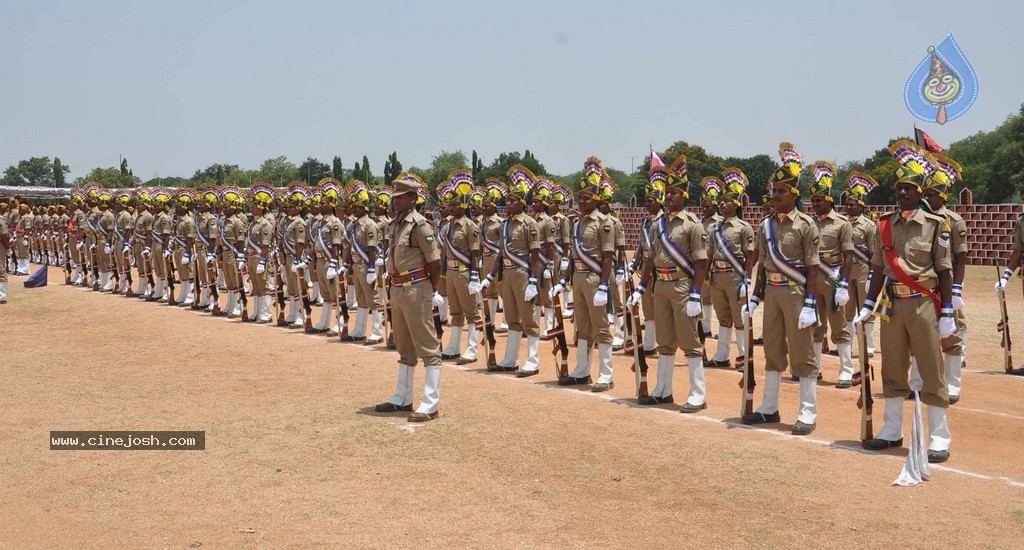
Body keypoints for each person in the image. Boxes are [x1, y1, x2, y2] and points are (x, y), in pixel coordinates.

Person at [855, 140, 954, 463]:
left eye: (908, 189)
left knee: (930, 369)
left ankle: (939, 435)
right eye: (898, 190)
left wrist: (948, 311)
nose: (902, 195)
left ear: (921, 193)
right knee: (893, 367)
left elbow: (944, 271)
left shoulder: (937, 226)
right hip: (892, 305)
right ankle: (891, 430)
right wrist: (869, 305)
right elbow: (879, 269)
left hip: (924, 304)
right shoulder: (883, 226)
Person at [741, 143, 821, 435]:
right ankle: (769, 408)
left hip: (796, 294)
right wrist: (755, 298)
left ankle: (807, 413)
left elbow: (813, 269)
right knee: (773, 350)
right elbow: (762, 265)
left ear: (794, 194)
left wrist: (811, 303)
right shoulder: (764, 226)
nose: (775, 196)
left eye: (781, 192)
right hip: (772, 294)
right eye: (774, 191)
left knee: (803, 355)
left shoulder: (807, 225)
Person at [628, 156, 710, 410]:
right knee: (664, 340)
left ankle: (698, 393)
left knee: (689, 342)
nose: (669, 197)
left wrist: (696, 293)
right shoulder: (658, 224)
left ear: (684, 195)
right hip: (660, 286)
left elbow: (701, 263)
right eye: (667, 193)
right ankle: (663, 389)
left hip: (683, 286)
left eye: (674, 193)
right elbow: (651, 257)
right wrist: (642, 286)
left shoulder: (693, 225)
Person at [374, 173, 444, 422]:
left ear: (413, 199)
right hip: (398, 288)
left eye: (401, 198)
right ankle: (402, 398)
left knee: (427, 347)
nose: (396, 202)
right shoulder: (395, 224)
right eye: (395, 198)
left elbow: (435, 261)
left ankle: (431, 403)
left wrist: (433, 291)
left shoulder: (419, 225)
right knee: (404, 346)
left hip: (416, 288)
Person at [552, 157, 616, 391]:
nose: (581, 202)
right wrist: (563, 281)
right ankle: (581, 371)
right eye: (580, 198)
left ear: (596, 199)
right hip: (578, 278)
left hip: (594, 277)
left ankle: (606, 375)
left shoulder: (604, 223)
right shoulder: (577, 223)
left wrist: (603, 286)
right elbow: (573, 255)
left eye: (586, 198)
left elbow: (608, 257)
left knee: (600, 326)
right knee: (581, 326)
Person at [486, 165, 543, 376]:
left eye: (513, 201)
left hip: (522, 272)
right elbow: (501, 253)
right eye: (507, 200)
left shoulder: (530, 224)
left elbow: (535, 254)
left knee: (528, 317)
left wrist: (533, 280)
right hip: (506, 274)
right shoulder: (505, 225)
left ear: (522, 203)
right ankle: (510, 359)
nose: (508, 204)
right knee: (511, 317)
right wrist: (491, 275)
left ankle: (533, 361)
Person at [922, 154, 968, 403]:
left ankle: (953, 384)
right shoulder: (922, 221)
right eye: (925, 194)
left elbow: (961, 258)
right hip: (926, 284)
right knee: (922, 334)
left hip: (947, 284)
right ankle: (920, 382)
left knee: (950, 336)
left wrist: (957, 289)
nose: (928, 199)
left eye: (932, 195)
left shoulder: (954, 221)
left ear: (943, 196)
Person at [808, 161, 856, 387]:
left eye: (819, 200)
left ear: (829, 200)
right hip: (813, 279)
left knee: (838, 326)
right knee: (815, 325)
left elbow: (849, 256)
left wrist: (844, 284)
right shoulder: (809, 223)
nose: (815, 204)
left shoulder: (842, 223)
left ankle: (846, 369)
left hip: (833, 277)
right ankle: (815, 368)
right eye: (813, 200)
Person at [705, 169, 756, 370]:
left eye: (727, 201)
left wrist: (748, 281)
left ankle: (744, 356)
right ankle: (722, 354)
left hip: (736, 277)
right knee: (723, 317)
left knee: (740, 318)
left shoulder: (744, 227)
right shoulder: (714, 228)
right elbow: (709, 254)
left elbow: (750, 256)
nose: (722, 204)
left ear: (735, 205)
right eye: (722, 201)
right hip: (717, 276)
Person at [437, 171, 482, 364]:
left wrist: (474, 277)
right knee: (455, 312)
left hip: (464, 273)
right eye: (450, 204)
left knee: (471, 312)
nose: (451, 208)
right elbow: (444, 251)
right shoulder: (448, 226)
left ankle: (471, 349)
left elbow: (474, 254)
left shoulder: (470, 226)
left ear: (464, 206)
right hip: (452, 272)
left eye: (455, 205)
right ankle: (453, 347)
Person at [843, 173, 879, 357]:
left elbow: (873, 253)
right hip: (846, 270)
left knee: (866, 308)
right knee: (847, 310)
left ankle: (869, 344)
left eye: (853, 204)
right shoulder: (842, 223)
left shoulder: (869, 225)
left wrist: (871, 276)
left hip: (863, 268)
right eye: (847, 204)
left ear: (861, 205)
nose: (849, 207)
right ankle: (847, 344)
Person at [342, 180, 382, 342]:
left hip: (367, 265)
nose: (354, 210)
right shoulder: (353, 225)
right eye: (353, 207)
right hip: (357, 266)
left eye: (357, 207)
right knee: (361, 299)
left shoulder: (369, 225)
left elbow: (372, 249)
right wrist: (347, 266)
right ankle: (359, 330)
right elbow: (349, 246)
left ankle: (377, 332)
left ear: (364, 208)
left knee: (373, 299)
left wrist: (372, 269)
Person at [479, 178, 508, 333]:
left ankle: (507, 320)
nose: (483, 208)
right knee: (489, 291)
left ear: (494, 206)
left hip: (498, 260)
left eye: (487, 206)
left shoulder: (500, 223)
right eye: (483, 206)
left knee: (502, 290)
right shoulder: (482, 223)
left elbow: (503, 245)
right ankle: (489, 321)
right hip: (486, 259)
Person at [245, 184, 277, 323]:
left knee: (263, 286)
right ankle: (257, 312)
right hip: (251, 257)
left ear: (261, 207)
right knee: (256, 286)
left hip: (260, 257)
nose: (252, 209)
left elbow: (265, 245)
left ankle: (267, 313)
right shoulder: (253, 223)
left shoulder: (265, 224)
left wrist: (263, 261)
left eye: (254, 206)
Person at [699, 182, 723, 339]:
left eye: (708, 206)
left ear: (714, 206)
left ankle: (721, 328)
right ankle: (705, 328)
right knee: (704, 297)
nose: (705, 209)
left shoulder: (719, 222)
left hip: (716, 264)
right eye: (703, 206)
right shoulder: (699, 222)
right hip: (702, 264)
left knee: (719, 299)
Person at [171, 189, 197, 306]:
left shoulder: (188, 221)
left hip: (185, 249)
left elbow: (190, 239)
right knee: (181, 273)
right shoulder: (178, 220)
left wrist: (187, 253)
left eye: (178, 207)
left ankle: (190, 296)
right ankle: (183, 294)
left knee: (188, 273)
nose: (176, 209)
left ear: (184, 208)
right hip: (177, 248)